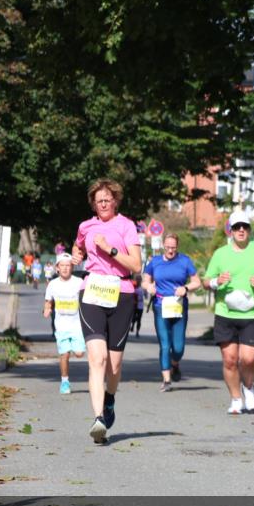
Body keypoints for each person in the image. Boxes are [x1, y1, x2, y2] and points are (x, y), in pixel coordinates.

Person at [71, 178, 142, 444]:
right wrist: (77, 255)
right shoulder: (86, 226)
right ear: (93, 203)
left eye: (107, 199)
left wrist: (109, 249)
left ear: (115, 201)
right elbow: (77, 246)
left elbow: (136, 265)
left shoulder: (126, 226)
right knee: (97, 358)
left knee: (114, 365)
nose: (103, 203)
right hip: (92, 291)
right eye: (98, 200)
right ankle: (99, 419)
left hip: (121, 293)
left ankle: (110, 398)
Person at [202, 212, 254, 414]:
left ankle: (249, 387)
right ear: (231, 230)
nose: (241, 230)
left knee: (248, 358)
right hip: (225, 313)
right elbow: (206, 280)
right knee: (229, 359)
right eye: (237, 227)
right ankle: (236, 399)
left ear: (249, 229)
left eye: (244, 226)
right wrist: (215, 282)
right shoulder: (221, 254)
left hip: (252, 313)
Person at [142, 233, 201, 391]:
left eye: (173, 248)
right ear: (163, 245)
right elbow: (145, 280)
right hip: (160, 305)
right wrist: (149, 287)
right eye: (168, 247)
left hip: (179, 305)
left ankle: (175, 363)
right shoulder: (154, 262)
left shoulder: (184, 261)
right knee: (164, 344)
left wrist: (186, 288)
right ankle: (166, 380)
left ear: (177, 246)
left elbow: (197, 281)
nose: (170, 251)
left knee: (178, 347)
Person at [43, 253, 86, 394]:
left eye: (68, 265)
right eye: (62, 266)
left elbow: (87, 298)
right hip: (61, 325)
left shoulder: (79, 282)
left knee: (79, 353)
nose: (65, 268)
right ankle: (65, 382)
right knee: (64, 355)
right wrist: (47, 309)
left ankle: (75, 345)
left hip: (77, 325)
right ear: (57, 268)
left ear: (72, 267)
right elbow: (48, 301)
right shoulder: (53, 285)